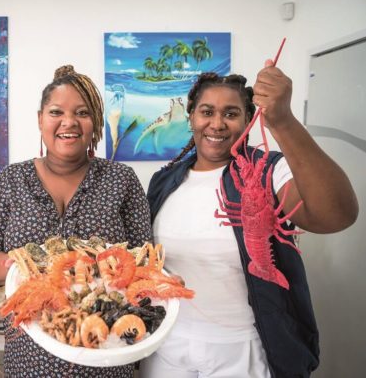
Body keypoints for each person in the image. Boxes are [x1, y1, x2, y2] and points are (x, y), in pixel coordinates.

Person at [142, 62, 359, 378]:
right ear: (191, 117)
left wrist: (283, 122)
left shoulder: (270, 169)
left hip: (241, 349)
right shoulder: (164, 180)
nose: (217, 124)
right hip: (167, 346)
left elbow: (337, 214)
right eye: (206, 112)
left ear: (247, 121)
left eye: (230, 114)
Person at [0, 65, 152, 377]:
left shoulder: (121, 179)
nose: (68, 122)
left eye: (82, 113)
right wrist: (14, 265)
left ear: (94, 121)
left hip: (105, 353)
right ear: (40, 119)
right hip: (28, 355)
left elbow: (144, 260)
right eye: (56, 112)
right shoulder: (11, 180)